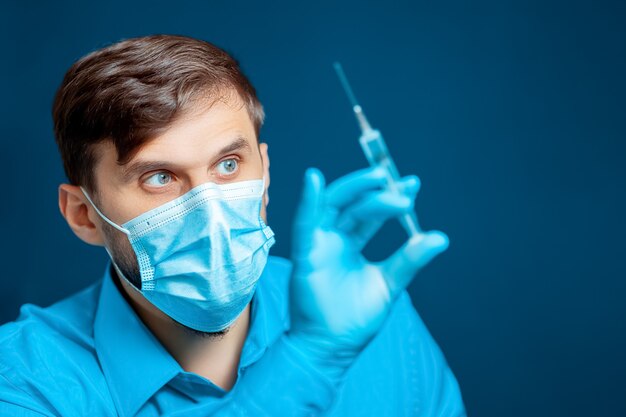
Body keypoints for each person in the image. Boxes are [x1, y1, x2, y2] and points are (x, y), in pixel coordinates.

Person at [0, 34, 466, 416]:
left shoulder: (369, 316)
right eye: (159, 177)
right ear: (84, 216)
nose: (211, 210)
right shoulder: (24, 380)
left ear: (264, 175)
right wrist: (310, 359)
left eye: (227, 165)